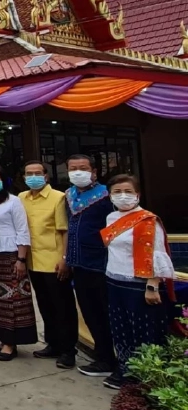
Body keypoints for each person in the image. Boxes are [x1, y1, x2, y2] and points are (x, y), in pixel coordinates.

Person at [100, 174, 175, 389]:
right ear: (110, 196)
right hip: (114, 280)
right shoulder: (111, 218)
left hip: (139, 284)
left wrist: (152, 286)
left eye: (128, 192)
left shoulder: (148, 220)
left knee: (144, 330)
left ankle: (148, 376)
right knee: (120, 328)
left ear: (138, 195)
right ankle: (125, 369)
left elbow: (157, 253)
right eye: (117, 192)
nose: (123, 196)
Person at [64, 153, 117, 379]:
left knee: (104, 313)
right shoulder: (70, 196)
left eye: (83, 167)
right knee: (89, 312)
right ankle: (102, 356)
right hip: (79, 264)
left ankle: (109, 358)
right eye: (73, 168)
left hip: (101, 265)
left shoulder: (107, 196)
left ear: (94, 171)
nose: (78, 172)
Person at [19, 160, 77, 369]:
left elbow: (64, 231)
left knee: (63, 308)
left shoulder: (59, 198)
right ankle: (52, 344)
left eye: (37, 173)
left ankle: (68, 350)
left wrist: (64, 259)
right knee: (45, 305)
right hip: (33, 262)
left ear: (46, 176)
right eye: (28, 173)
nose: (33, 176)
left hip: (54, 262)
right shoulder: (22, 198)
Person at [0, 165, 36, 361]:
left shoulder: (14, 201)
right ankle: (3, 338)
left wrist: (21, 259)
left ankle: (11, 343)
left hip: (11, 254)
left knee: (13, 300)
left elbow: (22, 230)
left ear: (4, 181)